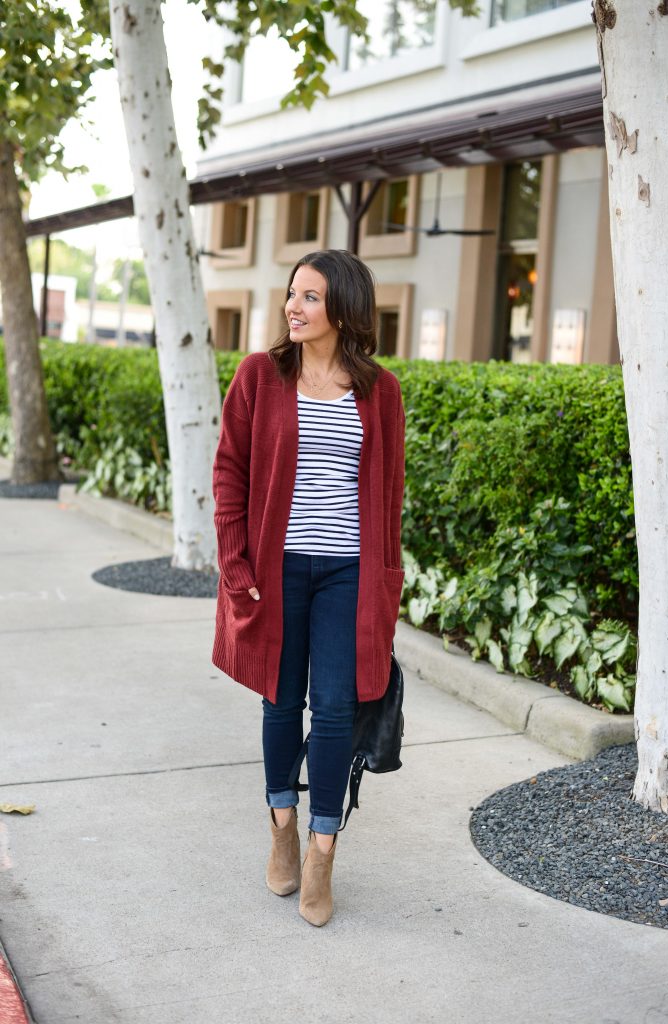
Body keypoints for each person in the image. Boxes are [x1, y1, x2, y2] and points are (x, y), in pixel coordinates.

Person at [212, 249, 405, 927]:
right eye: (292, 294)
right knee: (279, 700)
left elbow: (388, 496)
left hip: (346, 571)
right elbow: (228, 473)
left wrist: (387, 581)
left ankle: (323, 848)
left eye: (310, 297)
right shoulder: (260, 376)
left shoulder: (379, 390)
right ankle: (281, 826)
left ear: (344, 308)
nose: (293, 306)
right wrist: (236, 565)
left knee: (332, 709)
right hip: (275, 568)